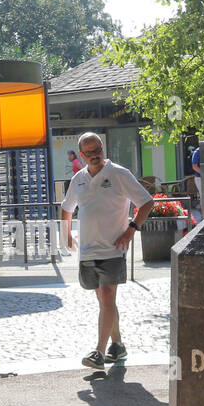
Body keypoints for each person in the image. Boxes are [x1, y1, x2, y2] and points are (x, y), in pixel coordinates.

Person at [61, 132, 154, 371]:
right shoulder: (79, 179)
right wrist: (66, 234)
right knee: (104, 301)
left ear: (103, 148)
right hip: (88, 251)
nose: (94, 156)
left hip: (114, 249)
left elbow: (146, 202)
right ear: (81, 155)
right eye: (89, 152)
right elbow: (66, 208)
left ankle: (99, 352)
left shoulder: (119, 174)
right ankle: (118, 345)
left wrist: (131, 230)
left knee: (107, 294)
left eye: (97, 150)